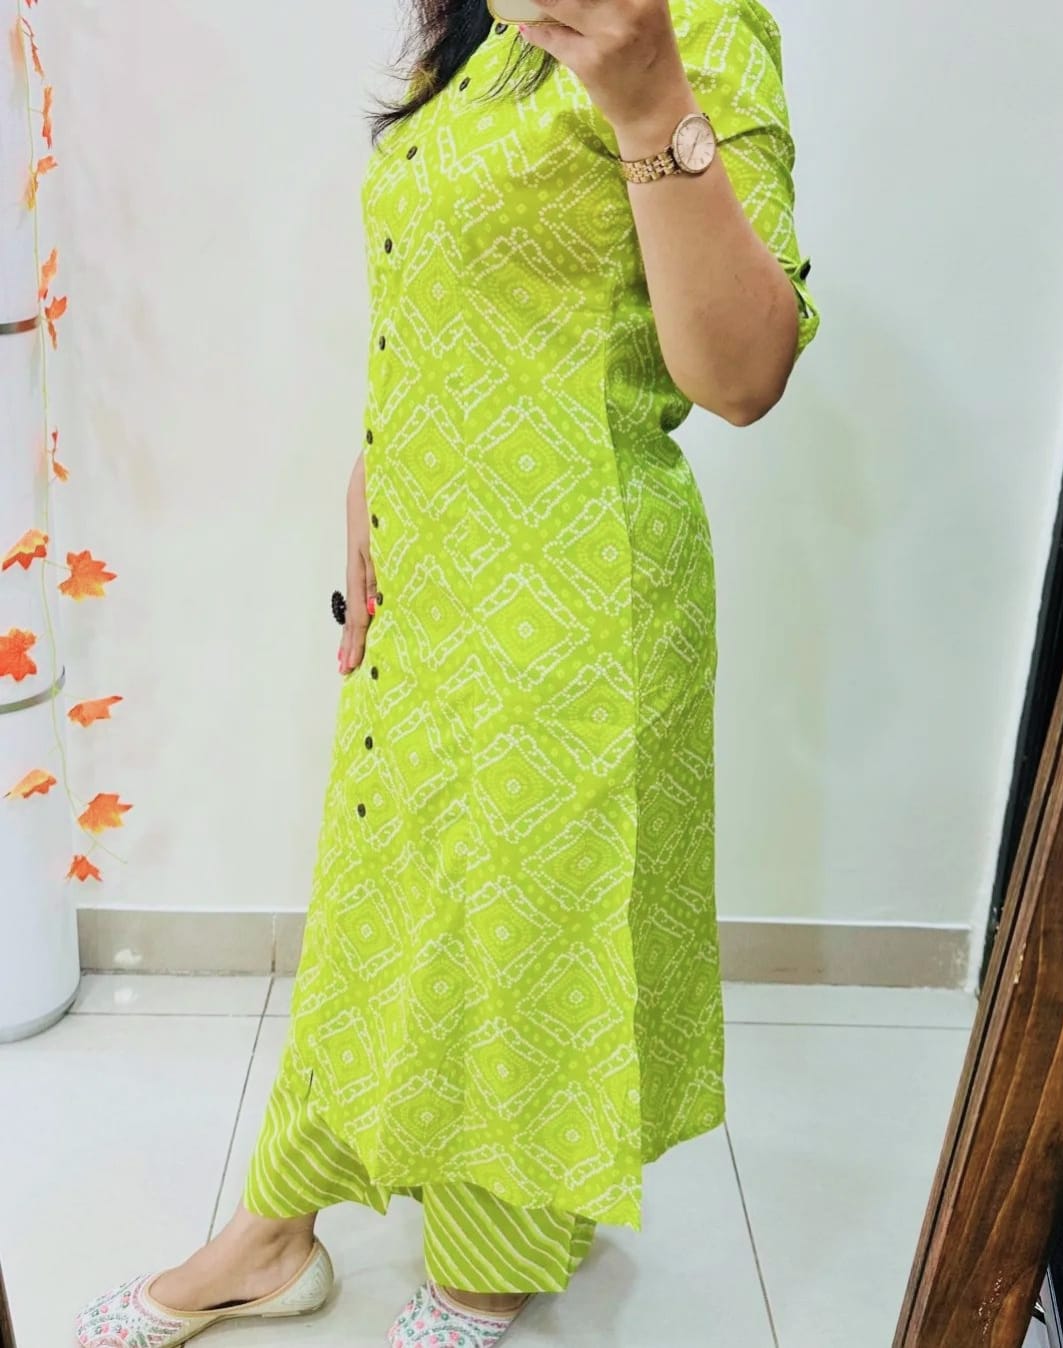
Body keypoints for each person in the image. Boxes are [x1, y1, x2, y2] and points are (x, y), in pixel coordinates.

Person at [75, 0, 819, 1344]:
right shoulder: (475, 34)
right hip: (435, 572)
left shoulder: (696, 28)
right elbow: (469, 304)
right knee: (384, 896)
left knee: (523, 935)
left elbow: (744, 373)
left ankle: (483, 1272)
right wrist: (379, 468)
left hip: (574, 595)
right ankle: (273, 1230)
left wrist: (651, 102)